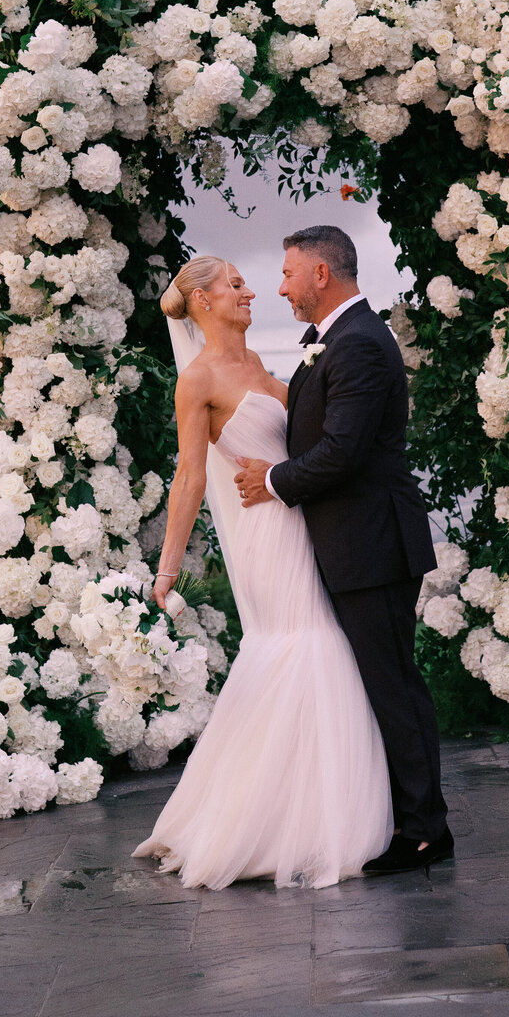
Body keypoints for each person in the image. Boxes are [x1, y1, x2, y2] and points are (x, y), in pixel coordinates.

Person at [132, 254, 391, 889]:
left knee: (315, 650)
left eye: (248, 284)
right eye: (237, 286)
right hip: (269, 535)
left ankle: (298, 811)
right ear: (201, 300)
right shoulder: (198, 380)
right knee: (306, 646)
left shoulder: (261, 365)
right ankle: (288, 826)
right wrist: (166, 571)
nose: (252, 294)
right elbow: (190, 477)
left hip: (301, 519)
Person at [234, 225, 452, 874]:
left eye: (287, 272)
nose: (280, 285)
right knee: (385, 683)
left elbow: (342, 450)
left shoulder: (357, 341)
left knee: (394, 685)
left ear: (321, 274)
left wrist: (271, 481)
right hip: (356, 542)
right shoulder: (339, 338)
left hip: (373, 541)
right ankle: (408, 817)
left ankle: (423, 830)